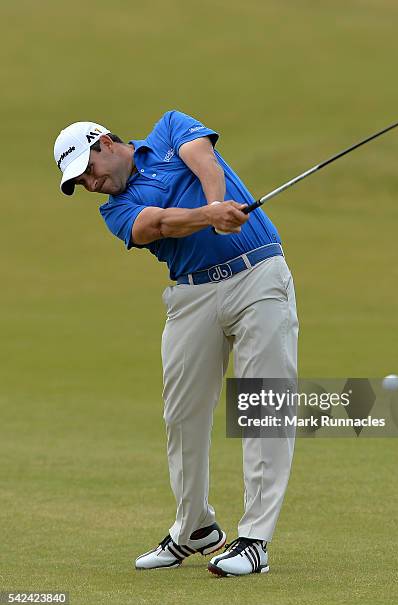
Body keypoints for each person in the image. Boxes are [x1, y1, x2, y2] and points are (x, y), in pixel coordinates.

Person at [53, 111, 299, 577]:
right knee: (182, 415)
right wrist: (210, 216)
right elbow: (159, 225)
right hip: (191, 295)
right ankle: (195, 528)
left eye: (88, 169)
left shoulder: (169, 128)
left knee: (262, 402)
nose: (89, 183)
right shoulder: (115, 211)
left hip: (259, 274)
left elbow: (205, 160)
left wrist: (218, 204)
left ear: (104, 142)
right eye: (79, 181)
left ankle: (255, 541)